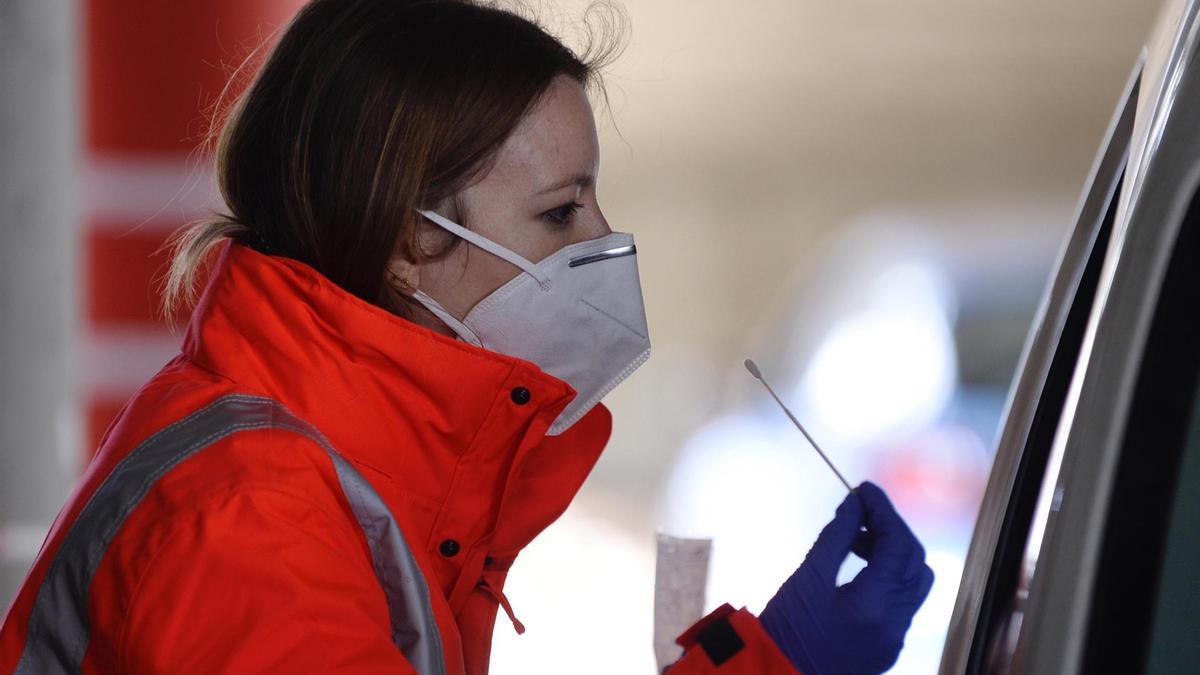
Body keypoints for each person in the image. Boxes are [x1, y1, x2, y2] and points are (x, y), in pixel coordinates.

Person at [0, 1, 933, 673]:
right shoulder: (251, 521)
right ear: (410, 242)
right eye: (561, 211)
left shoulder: (366, 479)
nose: (604, 243)